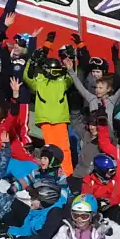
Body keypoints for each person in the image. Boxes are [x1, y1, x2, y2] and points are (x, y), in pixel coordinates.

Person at [22, 38, 79, 178]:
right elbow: (27, 76)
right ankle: (52, 172)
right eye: (53, 72)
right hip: (46, 119)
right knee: (50, 149)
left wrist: (72, 59)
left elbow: (72, 75)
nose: (56, 74)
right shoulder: (39, 80)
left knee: (64, 149)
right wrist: (32, 60)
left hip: (60, 119)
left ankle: (67, 173)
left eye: (57, 71)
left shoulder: (62, 81)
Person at [4, 180, 69, 239]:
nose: (30, 200)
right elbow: (27, 230)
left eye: (33, 197)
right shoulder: (39, 210)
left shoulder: (55, 213)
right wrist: (7, 230)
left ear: (45, 198)